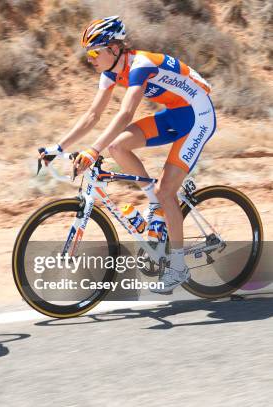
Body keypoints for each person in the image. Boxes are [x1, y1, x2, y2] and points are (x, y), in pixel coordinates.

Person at [40, 16, 216, 293]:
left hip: (199, 116)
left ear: (114, 48)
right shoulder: (110, 71)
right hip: (175, 114)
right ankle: (155, 204)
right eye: (88, 53)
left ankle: (178, 266)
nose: (91, 58)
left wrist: (91, 150)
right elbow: (93, 114)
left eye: (95, 52)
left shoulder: (141, 65)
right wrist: (58, 147)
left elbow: (125, 113)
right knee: (117, 147)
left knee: (167, 191)